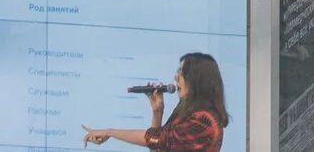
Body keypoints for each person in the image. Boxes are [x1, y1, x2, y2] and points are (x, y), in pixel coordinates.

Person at [84, 51, 229, 150]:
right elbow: (157, 147)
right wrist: (157, 111)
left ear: (197, 80)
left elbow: (159, 140)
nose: (175, 78)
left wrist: (110, 132)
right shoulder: (185, 112)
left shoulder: (205, 120)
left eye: (181, 73)